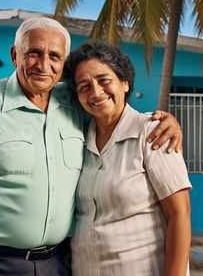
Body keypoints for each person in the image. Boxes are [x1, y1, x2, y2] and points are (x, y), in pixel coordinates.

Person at [0, 17, 183, 276]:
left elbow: (112, 111)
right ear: (15, 55)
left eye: (54, 56)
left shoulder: (77, 103)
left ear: (63, 63)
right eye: (34, 53)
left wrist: (163, 121)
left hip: (60, 264)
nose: (43, 65)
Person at [62, 39, 192, 276]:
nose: (96, 92)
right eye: (84, 86)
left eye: (104, 80)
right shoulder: (77, 139)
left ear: (124, 83)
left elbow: (180, 214)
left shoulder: (153, 132)